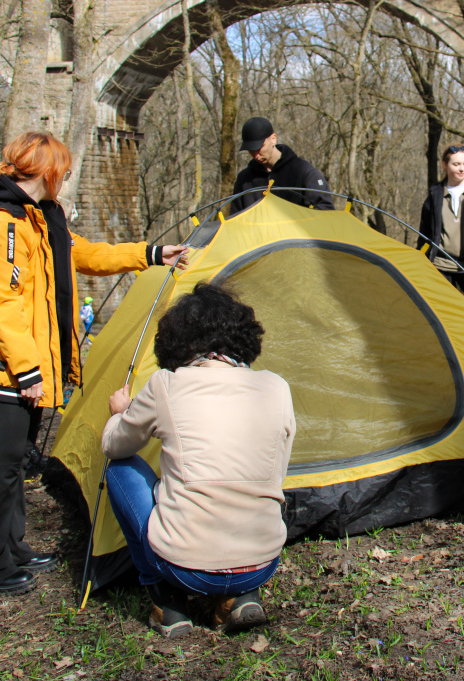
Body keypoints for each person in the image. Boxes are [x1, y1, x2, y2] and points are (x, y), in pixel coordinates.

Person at [0, 131, 188, 597]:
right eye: (61, 169)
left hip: (34, 368)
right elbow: (4, 304)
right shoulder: (5, 222)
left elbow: (86, 255)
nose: (64, 177)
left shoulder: (42, 220)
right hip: (10, 373)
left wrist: (148, 255)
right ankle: (1, 564)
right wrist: (26, 372)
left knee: (16, 463)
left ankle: (14, 547)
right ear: (47, 171)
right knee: (3, 468)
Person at [102, 283, 296, 636]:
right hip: (262, 563)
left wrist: (120, 413)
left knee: (119, 469)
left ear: (177, 341)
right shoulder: (276, 387)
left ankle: (169, 603)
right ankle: (240, 597)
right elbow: (277, 476)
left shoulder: (165, 385)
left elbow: (116, 445)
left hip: (183, 566)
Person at [417, 145, 464, 306]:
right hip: (440, 265)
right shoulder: (435, 195)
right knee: (442, 312)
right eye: (456, 164)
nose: (462, 169)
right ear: (445, 165)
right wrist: (422, 261)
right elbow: (424, 233)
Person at [231, 117, 334, 213]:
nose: (256, 155)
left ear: (273, 139)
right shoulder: (244, 180)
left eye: (259, 147)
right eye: (251, 150)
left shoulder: (303, 172)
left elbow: (325, 213)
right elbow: (235, 219)